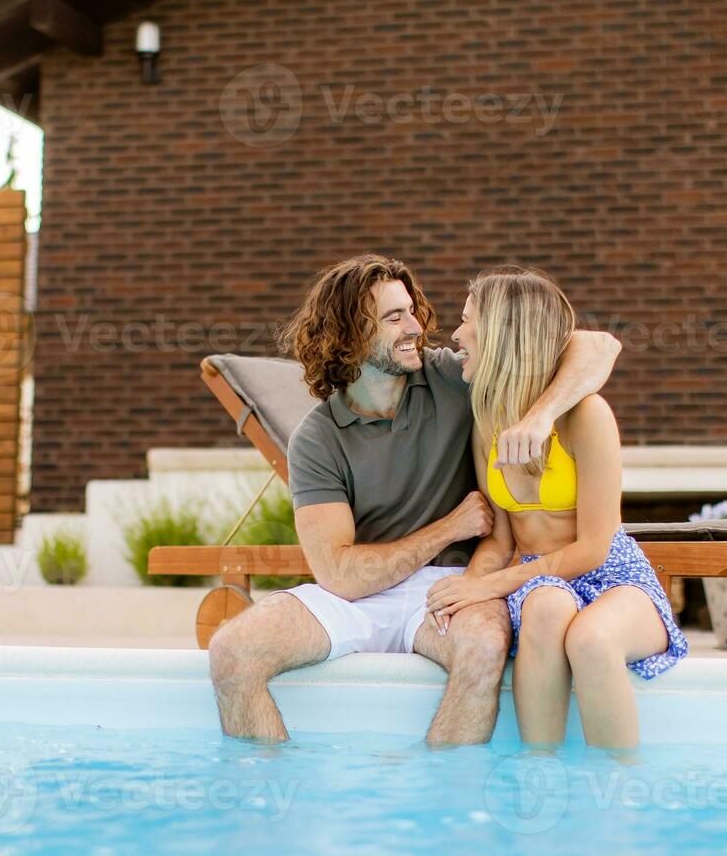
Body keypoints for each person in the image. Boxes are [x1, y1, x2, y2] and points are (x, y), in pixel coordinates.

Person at [208, 254, 622, 745]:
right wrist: (451, 527)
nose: (417, 327)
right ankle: (277, 801)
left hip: (451, 587)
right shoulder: (316, 439)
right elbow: (339, 576)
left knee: (483, 649)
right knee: (231, 652)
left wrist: (541, 416)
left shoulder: (453, 377)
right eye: (393, 317)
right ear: (349, 336)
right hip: (359, 598)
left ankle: (439, 805)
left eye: (412, 310)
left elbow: (597, 346)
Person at [425, 267, 687, 750]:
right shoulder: (485, 423)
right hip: (535, 579)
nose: (456, 335)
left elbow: (592, 548)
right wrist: (468, 587)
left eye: (467, 322)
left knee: (592, 639)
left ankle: (616, 797)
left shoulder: (586, 416)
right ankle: (539, 779)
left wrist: (492, 583)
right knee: (547, 606)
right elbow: (501, 539)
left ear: (504, 334)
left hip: (613, 576)